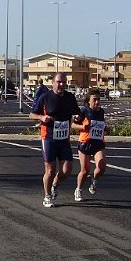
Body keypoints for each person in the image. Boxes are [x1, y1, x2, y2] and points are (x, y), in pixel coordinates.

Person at [30, 73, 80, 207]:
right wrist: (42, 118)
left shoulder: (70, 97)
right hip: (49, 138)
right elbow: (32, 114)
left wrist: (76, 117)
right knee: (50, 170)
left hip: (64, 139)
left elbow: (77, 112)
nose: (61, 85)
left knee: (67, 170)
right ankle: (47, 196)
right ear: (52, 83)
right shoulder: (45, 97)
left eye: (64, 82)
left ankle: (55, 184)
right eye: (59, 82)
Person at [72, 89, 108, 202]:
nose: (97, 102)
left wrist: (105, 128)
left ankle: (93, 180)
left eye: (98, 99)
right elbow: (73, 125)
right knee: (85, 170)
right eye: (94, 100)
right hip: (85, 143)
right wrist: (83, 127)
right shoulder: (84, 111)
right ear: (89, 101)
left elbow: (101, 125)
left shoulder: (101, 112)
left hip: (98, 143)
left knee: (101, 167)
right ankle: (78, 189)